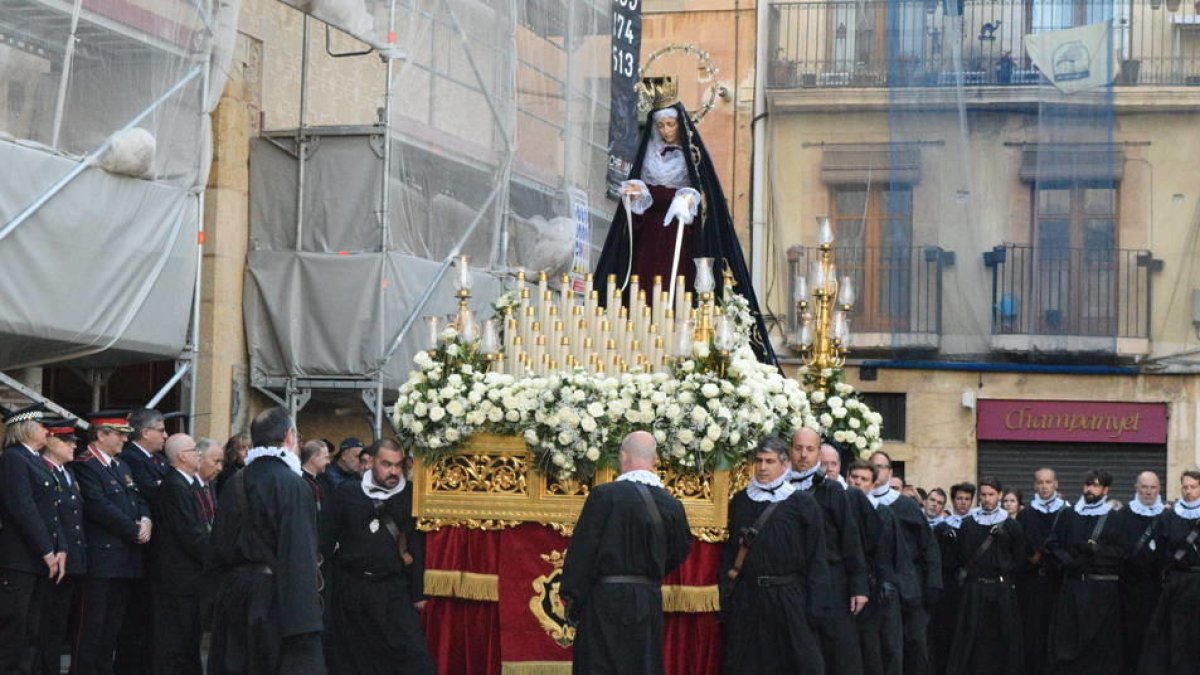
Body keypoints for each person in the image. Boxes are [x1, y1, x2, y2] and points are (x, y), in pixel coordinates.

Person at [591, 84, 775, 364]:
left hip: (681, 237)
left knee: (677, 289)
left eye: (671, 124)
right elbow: (634, 210)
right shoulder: (648, 157)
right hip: (650, 238)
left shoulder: (694, 159)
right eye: (661, 125)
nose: (666, 130)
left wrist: (689, 199)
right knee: (643, 288)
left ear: (681, 124)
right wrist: (636, 196)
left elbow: (706, 199)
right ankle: (640, 340)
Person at [560, 431, 690, 675]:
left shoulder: (604, 496)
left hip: (605, 599)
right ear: (655, 459)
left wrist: (573, 597)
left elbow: (583, 551)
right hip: (646, 599)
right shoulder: (671, 504)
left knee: (600, 665)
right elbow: (681, 549)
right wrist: (651, 571)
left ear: (623, 456)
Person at [207, 407, 324, 675]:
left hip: (234, 596)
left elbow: (217, 546)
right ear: (289, 437)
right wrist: (306, 622)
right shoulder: (293, 485)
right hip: (276, 599)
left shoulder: (235, 481)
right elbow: (299, 555)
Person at [322, 439, 435, 674]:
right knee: (354, 660)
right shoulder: (347, 492)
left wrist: (418, 593)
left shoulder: (410, 496)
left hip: (393, 590)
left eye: (397, 465)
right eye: (386, 464)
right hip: (352, 590)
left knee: (413, 657)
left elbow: (417, 545)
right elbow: (325, 540)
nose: (393, 471)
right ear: (371, 462)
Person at [720, 436, 831, 675]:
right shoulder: (741, 501)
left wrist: (815, 608)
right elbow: (730, 552)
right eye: (759, 461)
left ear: (784, 465)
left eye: (769, 461)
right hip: (748, 599)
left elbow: (816, 557)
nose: (762, 467)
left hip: (788, 598)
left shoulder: (802, 504)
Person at [73, 412, 151, 675]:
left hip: (124, 560)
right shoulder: (85, 465)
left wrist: (146, 520)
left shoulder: (121, 466)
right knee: (91, 629)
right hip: (101, 561)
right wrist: (133, 529)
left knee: (111, 630)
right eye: (119, 434)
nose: (124, 440)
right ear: (101, 434)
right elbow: (98, 506)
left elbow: (138, 498)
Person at [788, 429, 868, 675]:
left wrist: (858, 587)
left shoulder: (833, 491)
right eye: (798, 448)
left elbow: (851, 540)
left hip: (833, 580)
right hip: (793, 581)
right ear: (790, 451)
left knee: (837, 650)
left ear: (818, 453)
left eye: (810, 449)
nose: (803, 455)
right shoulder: (780, 488)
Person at [0, 404, 70, 675]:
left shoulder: (34, 460)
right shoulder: (14, 459)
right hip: (20, 558)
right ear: (26, 428)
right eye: (42, 426)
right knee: (14, 630)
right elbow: (23, 509)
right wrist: (46, 550)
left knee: (32, 628)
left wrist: (60, 547)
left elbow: (51, 509)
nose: (47, 431)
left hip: (39, 559)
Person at [1047, 469, 1129, 675]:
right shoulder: (1068, 514)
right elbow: (1053, 544)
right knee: (1070, 639)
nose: (1090, 489)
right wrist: (1068, 562)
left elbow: (1122, 551)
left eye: (1095, 485)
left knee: (1100, 643)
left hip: (1102, 589)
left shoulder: (1115, 518)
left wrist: (1096, 553)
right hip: (1073, 588)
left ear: (1105, 489)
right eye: (1087, 484)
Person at [868, 451, 941, 675]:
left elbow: (928, 547)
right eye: (873, 466)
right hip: (874, 587)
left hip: (908, 589)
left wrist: (932, 585)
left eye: (882, 466)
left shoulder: (905, 506)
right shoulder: (858, 502)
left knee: (912, 647)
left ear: (890, 472)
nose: (877, 471)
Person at [944, 476, 1025, 675]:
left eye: (991, 495)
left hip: (1001, 589)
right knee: (972, 636)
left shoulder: (1011, 525)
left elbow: (1020, 558)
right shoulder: (969, 523)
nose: (987, 499)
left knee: (1003, 636)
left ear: (999, 495)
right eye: (983, 495)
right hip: (974, 589)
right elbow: (961, 555)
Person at [150, 433, 210, 675]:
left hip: (188, 578)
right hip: (178, 579)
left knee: (188, 640)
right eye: (195, 450)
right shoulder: (175, 486)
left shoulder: (185, 484)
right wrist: (215, 555)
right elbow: (190, 533)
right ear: (182, 456)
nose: (199, 454)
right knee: (175, 641)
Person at [114, 408, 168, 675]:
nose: (165, 435)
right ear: (145, 432)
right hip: (138, 552)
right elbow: (154, 493)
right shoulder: (132, 459)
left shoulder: (158, 461)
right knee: (134, 619)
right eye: (161, 430)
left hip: (155, 550)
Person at [1137, 469, 1200, 675]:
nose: (1188, 491)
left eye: (1193, 487)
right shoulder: (1169, 516)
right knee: (1177, 631)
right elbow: (1159, 549)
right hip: (1178, 582)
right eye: (1185, 487)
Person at [848, 460, 907, 675]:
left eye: (864, 479)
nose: (858, 483)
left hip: (878, 591)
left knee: (880, 649)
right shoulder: (839, 508)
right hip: (847, 589)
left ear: (873, 484)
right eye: (854, 478)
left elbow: (892, 553)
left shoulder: (883, 513)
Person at [36, 422, 86, 675]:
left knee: (61, 624)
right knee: (48, 625)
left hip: (73, 560)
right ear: (50, 441)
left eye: (74, 441)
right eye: (67, 441)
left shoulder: (68, 472)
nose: (74, 445)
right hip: (53, 559)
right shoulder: (44, 471)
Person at [1015, 467, 1070, 675]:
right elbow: (1020, 550)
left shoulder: (1067, 512)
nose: (1044, 486)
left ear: (1056, 484)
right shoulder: (1026, 514)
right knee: (1034, 632)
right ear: (1034, 485)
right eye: (1040, 482)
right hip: (1032, 584)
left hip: (1059, 582)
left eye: (1048, 482)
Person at [1115, 471, 1165, 673]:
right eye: (1144, 487)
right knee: (1131, 635)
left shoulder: (1167, 516)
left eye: (1152, 487)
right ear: (1136, 488)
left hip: (1159, 588)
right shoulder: (1123, 515)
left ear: (1159, 489)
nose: (1148, 492)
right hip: (1130, 589)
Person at [214, 432, 249, 497]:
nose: (247, 452)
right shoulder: (227, 474)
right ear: (234, 451)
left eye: (249, 447)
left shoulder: (251, 470)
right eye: (243, 448)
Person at [195, 437, 223, 517]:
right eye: (216, 461)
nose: (220, 468)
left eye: (221, 462)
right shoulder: (189, 486)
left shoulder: (212, 484)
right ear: (200, 458)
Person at [300, 439, 330, 510]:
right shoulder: (299, 481)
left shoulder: (323, 480)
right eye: (326, 458)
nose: (329, 462)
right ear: (313, 458)